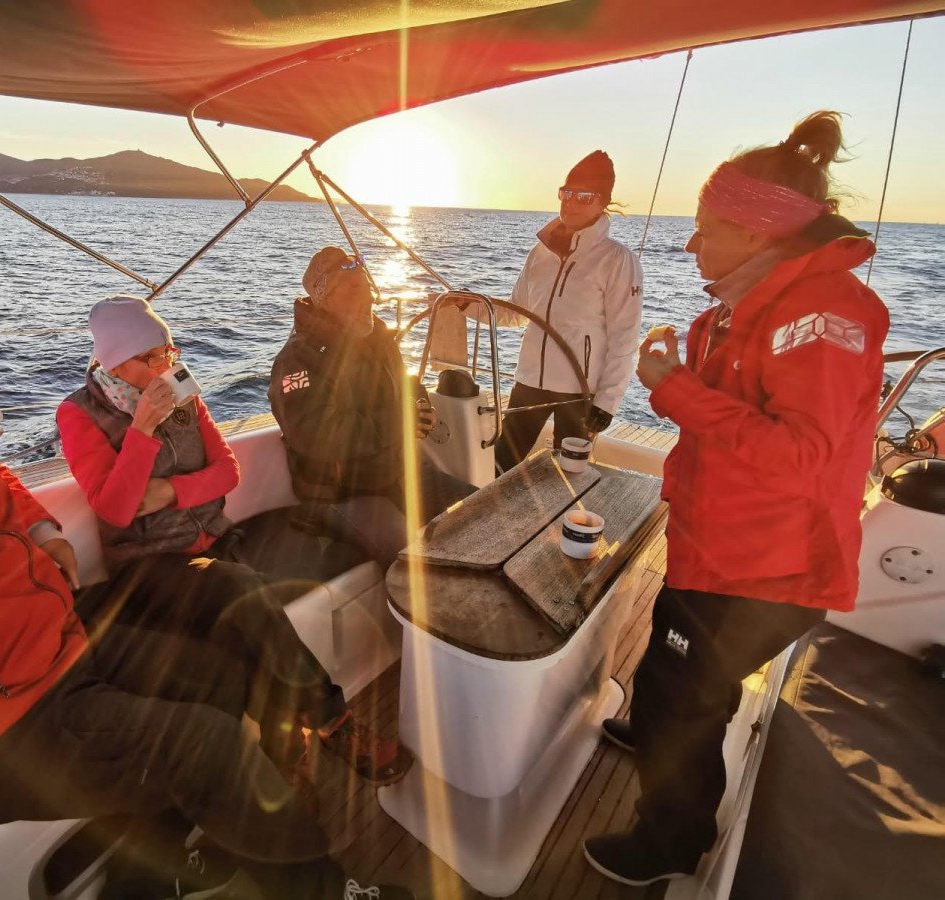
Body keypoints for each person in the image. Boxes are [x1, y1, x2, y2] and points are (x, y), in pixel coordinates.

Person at [0, 282, 414, 900]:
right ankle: (322, 887)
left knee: (220, 668)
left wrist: (42, 528)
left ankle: (157, 870)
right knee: (204, 741)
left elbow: (2, 478)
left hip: (40, 647)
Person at [583, 112, 890, 886]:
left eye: (706, 228)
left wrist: (674, 387)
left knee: (681, 691)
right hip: (719, 545)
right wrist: (679, 375)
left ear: (757, 233)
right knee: (675, 674)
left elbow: (799, 454)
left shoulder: (823, 320)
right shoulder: (748, 304)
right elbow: (741, 410)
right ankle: (660, 728)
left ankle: (670, 841)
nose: (692, 244)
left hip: (764, 567)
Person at [56, 294, 410, 787]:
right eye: (151, 357)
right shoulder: (79, 413)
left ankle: (284, 760)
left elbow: (228, 471)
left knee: (252, 615)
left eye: (168, 352)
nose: (164, 365)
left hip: (215, 539)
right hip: (149, 562)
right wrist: (142, 428)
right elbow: (115, 509)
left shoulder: (183, 392)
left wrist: (168, 492)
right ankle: (333, 723)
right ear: (115, 362)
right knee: (242, 591)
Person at [268, 247, 476, 570]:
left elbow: (404, 380)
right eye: (352, 289)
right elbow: (316, 435)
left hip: (398, 473)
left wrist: (420, 402)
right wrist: (399, 422)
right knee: (421, 566)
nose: (367, 297)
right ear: (325, 299)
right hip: (341, 494)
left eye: (366, 286)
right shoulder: (297, 359)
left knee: (483, 512)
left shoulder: (375, 332)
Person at [492, 150, 644, 472]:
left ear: (603, 202)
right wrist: (467, 305)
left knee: (569, 474)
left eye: (584, 196)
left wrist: (607, 402)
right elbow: (516, 312)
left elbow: (624, 339)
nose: (571, 202)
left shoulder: (618, 260)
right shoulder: (539, 253)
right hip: (529, 381)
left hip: (580, 391)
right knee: (500, 464)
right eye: (566, 192)